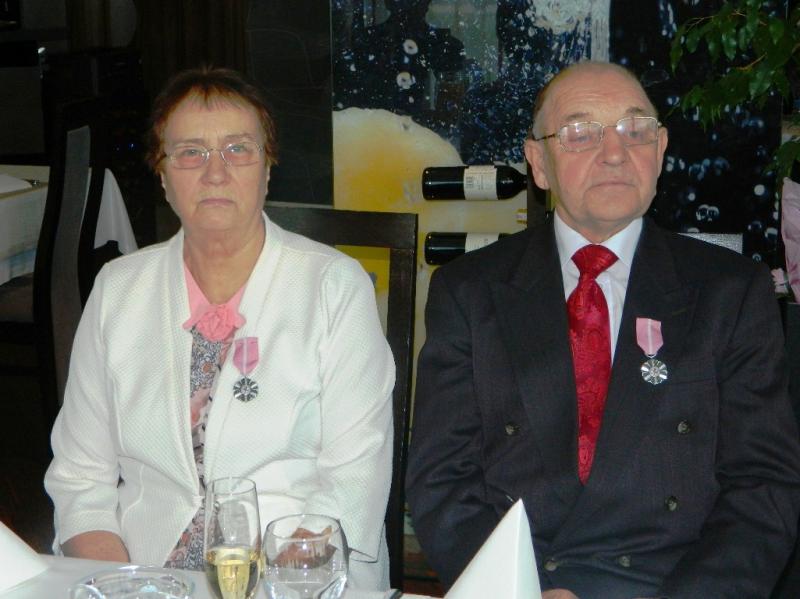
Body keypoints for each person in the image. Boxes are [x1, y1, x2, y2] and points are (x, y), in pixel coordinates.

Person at [406, 60, 800, 598]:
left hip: (675, 582)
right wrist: (517, 590)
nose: (615, 152)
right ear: (538, 164)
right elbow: (442, 478)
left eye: (635, 130)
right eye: (580, 132)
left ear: (661, 150)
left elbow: (763, 486)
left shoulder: (729, 292)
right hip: (526, 579)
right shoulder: (470, 292)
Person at [44, 67, 395, 589]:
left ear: (267, 168)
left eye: (238, 149)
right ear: (162, 175)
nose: (214, 172)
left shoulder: (334, 287)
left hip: (298, 577)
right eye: (190, 152)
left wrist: (277, 586)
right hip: (143, 574)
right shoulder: (118, 290)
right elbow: (80, 477)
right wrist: (122, 584)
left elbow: (352, 480)